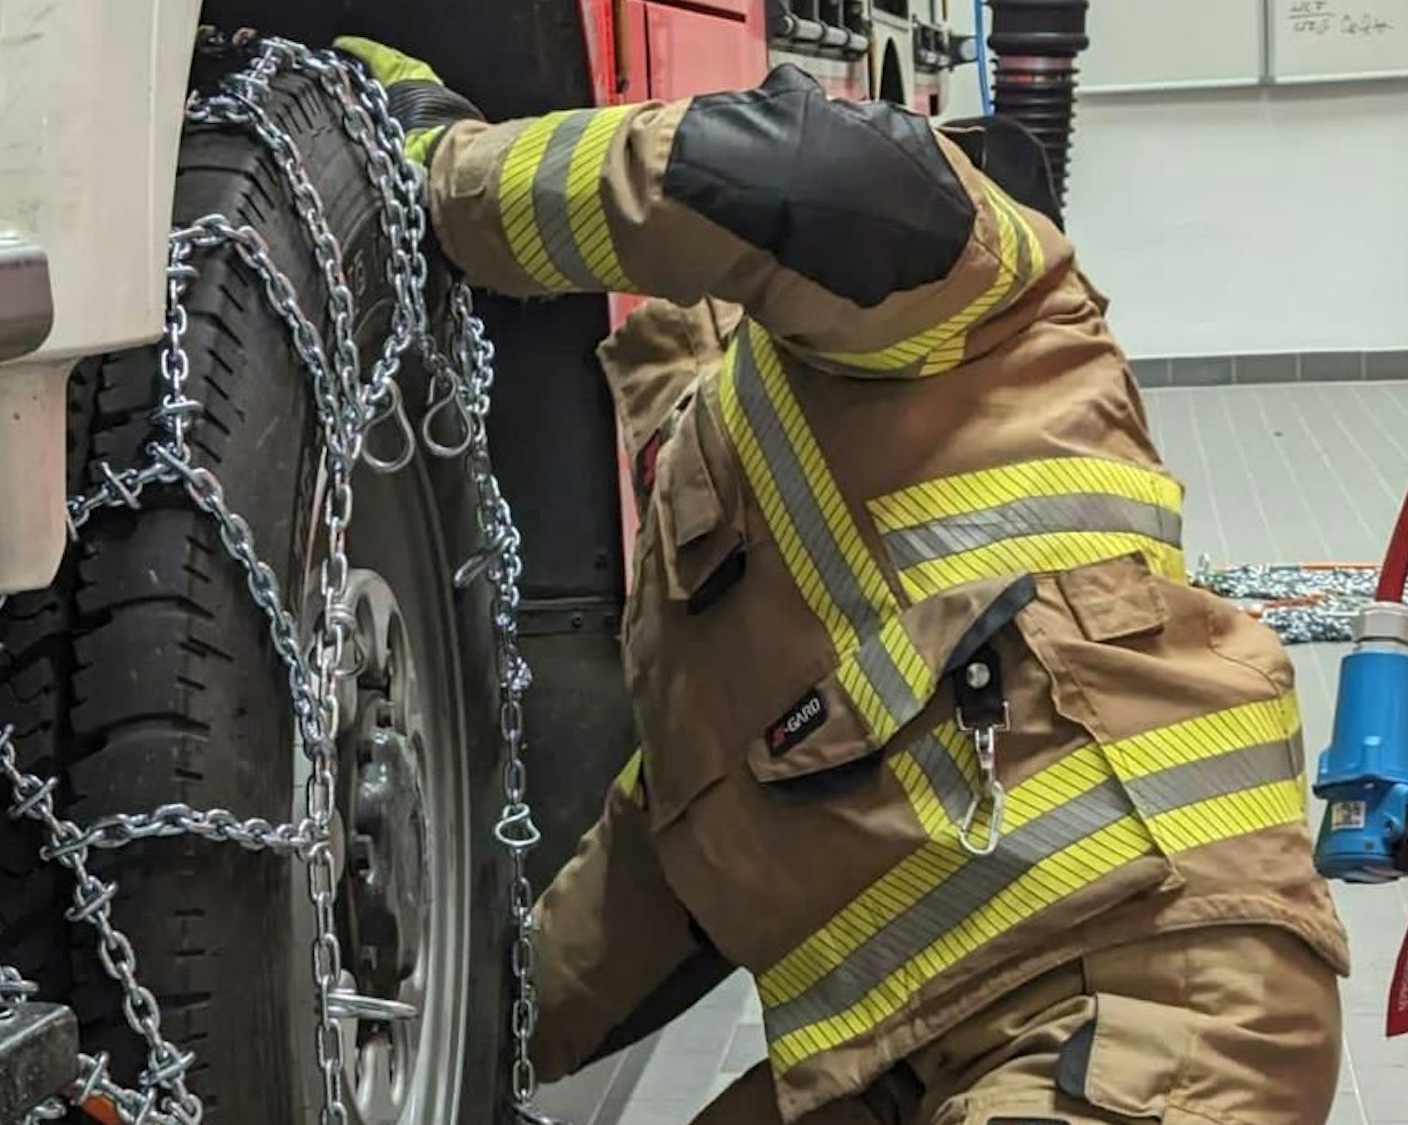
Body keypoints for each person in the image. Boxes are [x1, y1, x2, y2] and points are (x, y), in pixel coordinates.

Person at [332, 37, 1350, 1125]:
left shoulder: (977, 294)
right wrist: (390, 1037)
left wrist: (440, 170)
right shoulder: (716, 642)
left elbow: (812, 177)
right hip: (909, 1046)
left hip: (1141, 989)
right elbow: (614, 922)